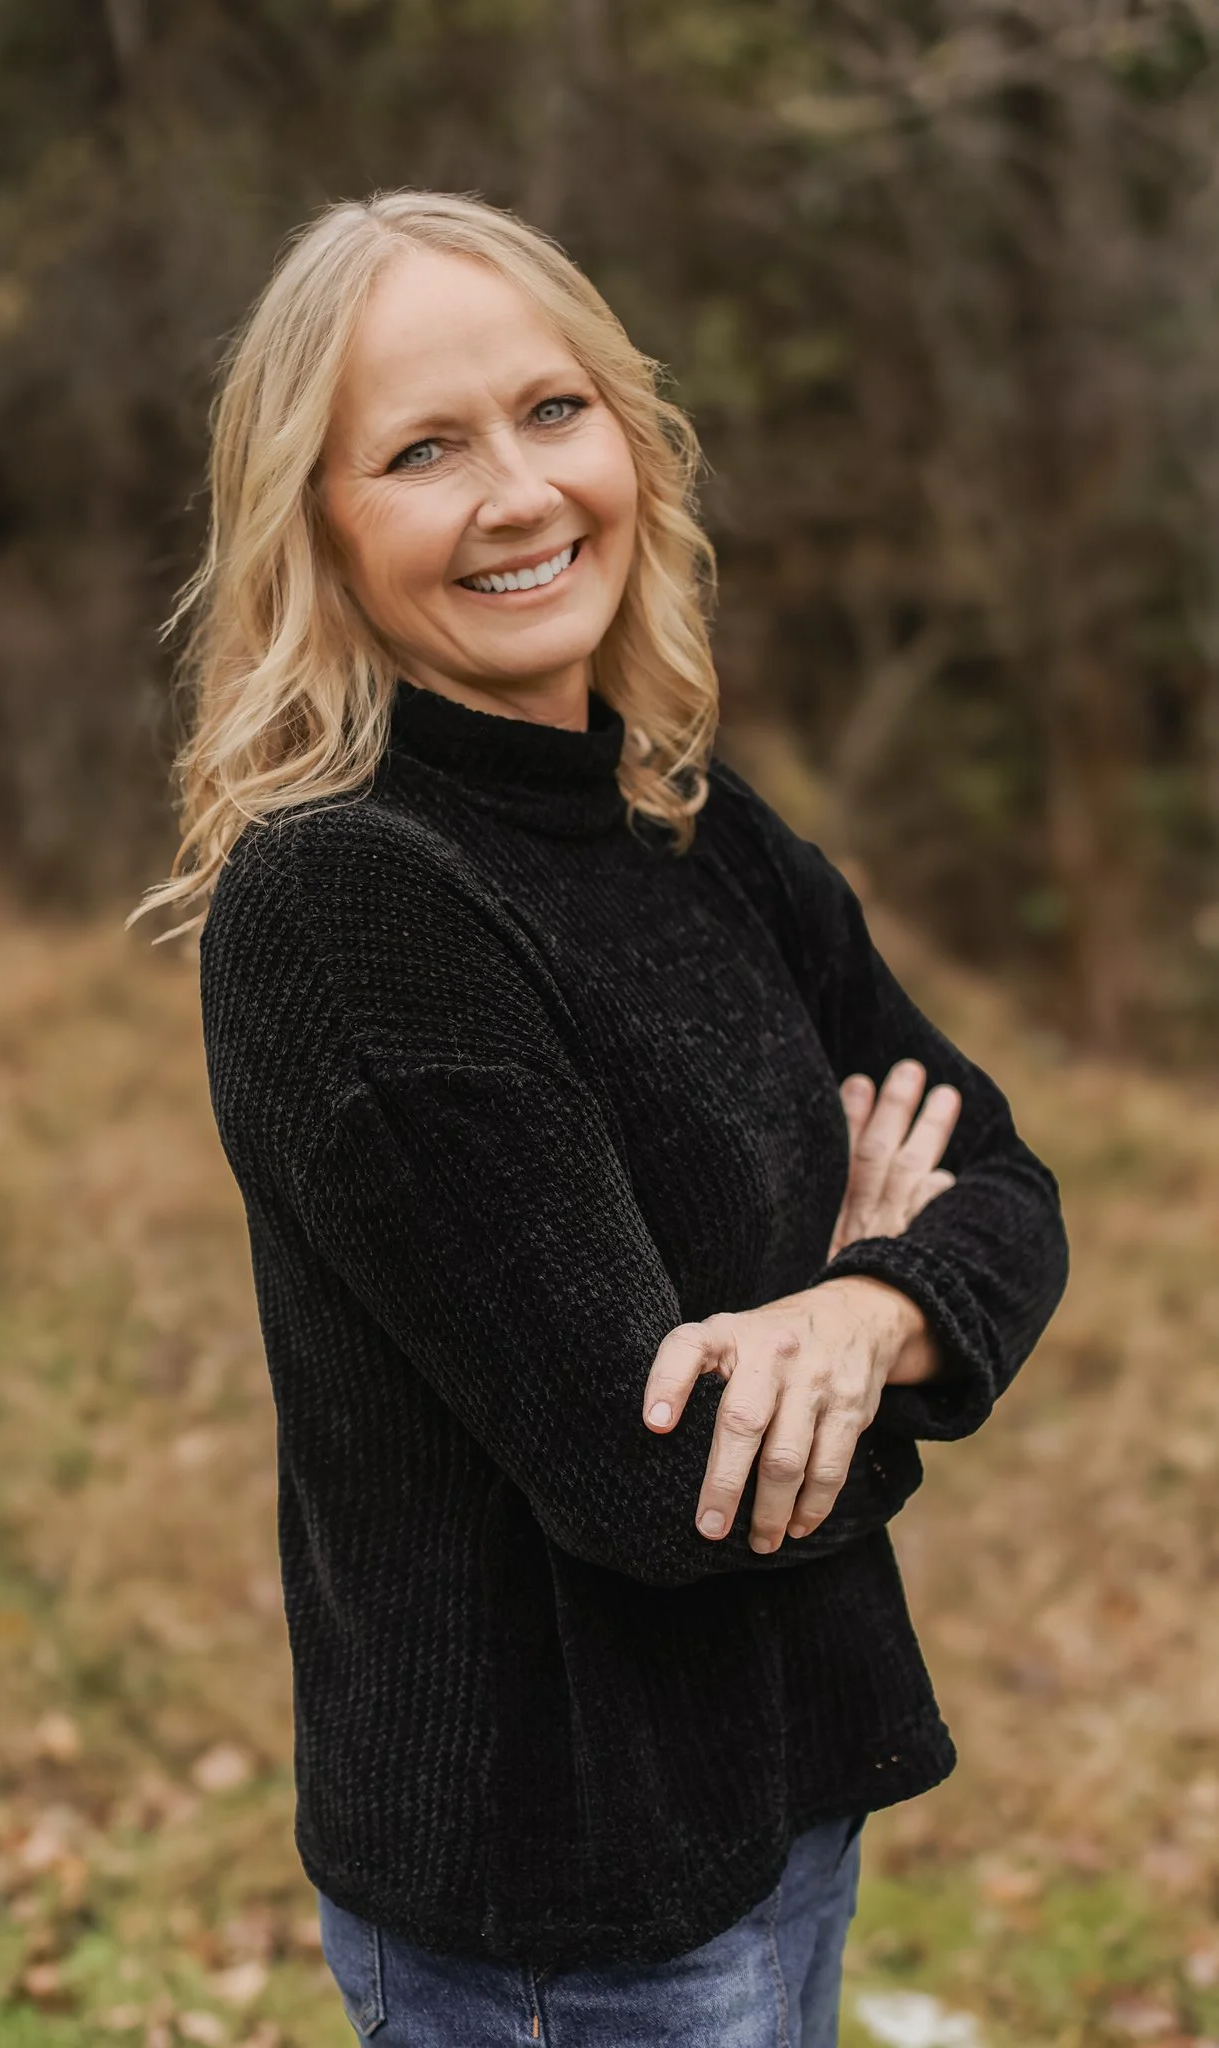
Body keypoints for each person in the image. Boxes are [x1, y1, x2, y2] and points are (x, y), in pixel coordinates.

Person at [135, 190, 1070, 2047]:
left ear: (630, 437)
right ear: (314, 525)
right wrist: (911, 1298)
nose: (518, 494)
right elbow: (658, 1484)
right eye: (420, 450)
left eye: (553, 412)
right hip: (554, 1907)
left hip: (772, 1791)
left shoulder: (692, 830)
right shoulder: (351, 903)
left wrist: (866, 1302)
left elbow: (1009, 1182)